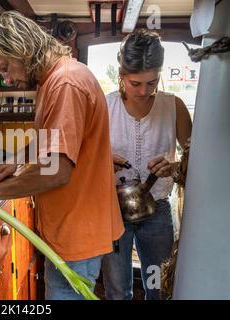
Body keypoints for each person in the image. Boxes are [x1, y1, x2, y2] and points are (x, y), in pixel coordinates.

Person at [0, 11, 124, 300]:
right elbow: (51, 139)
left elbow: (57, 170)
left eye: (6, 67)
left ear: (23, 49)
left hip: (76, 235)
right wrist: (18, 160)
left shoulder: (65, 84)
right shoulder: (55, 78)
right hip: (69, 230)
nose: (7, 79)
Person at [101, 29, 193, 300]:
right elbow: (84, 158)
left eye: (152, 83)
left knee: (159, 288)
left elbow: (194, 161)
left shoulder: (173, 106)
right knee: (117, 291)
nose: (144, 91)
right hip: (113, 211)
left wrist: (175, 168)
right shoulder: (105, 107)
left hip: (158, 213)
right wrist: (102, 161)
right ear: (121, 74)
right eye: (135, 83)